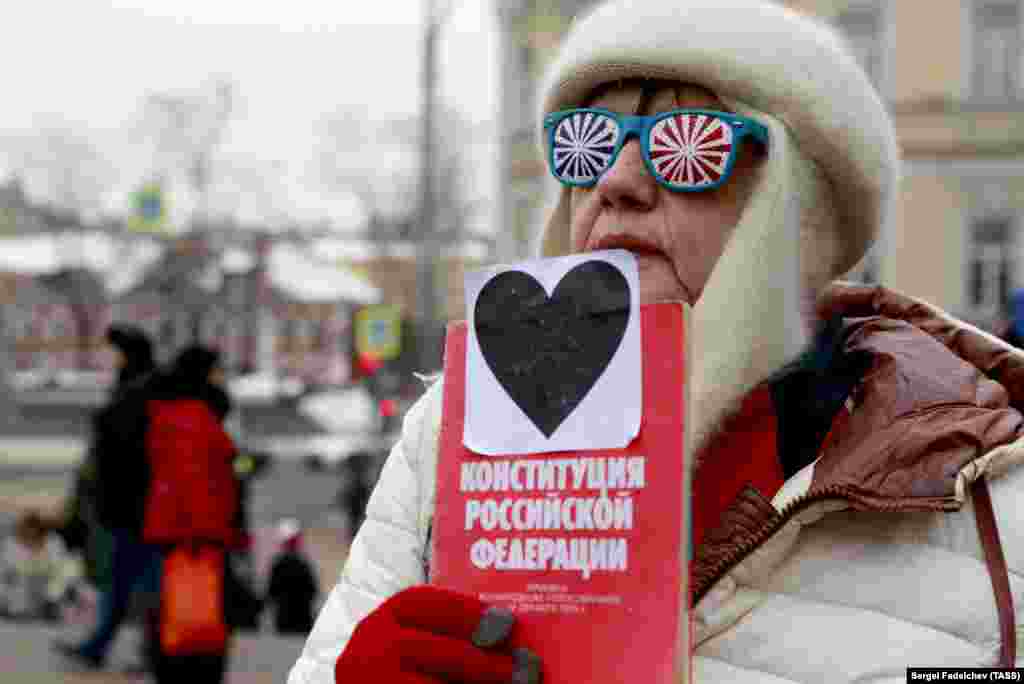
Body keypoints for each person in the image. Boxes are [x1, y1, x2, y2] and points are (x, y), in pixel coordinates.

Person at [290, 1, 1024, 682]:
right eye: (587, 143)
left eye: (688, 145)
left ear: (805, 216)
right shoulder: (451, 435)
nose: (616, 180)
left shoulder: (988, 484)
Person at [55, 324, 160, 670]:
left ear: (127, 353)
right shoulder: (135, 388)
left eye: (114, 351)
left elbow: (126, 450)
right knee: (124, 579)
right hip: (128, 503)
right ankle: (104, 645)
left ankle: (140, 650)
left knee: (140, 581)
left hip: (135, 504)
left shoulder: (138, 392)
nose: (109, 358)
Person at [142, 345, 241, 684]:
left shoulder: (163, 413)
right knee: (202, 616)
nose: (222, 377)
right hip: (197, 537)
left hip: (167, 532)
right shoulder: (197, 419)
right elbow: (201, 483)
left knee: (169, 613)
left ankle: (169, 666)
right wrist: (209, 535)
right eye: (216, 370)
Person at [0, 510, 79, 622]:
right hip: (21, 586)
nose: (31, 534)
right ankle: (14, 607)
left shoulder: (53, 542)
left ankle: (49, 606)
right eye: (27, 531)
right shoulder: (10, 543)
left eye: (34, 531)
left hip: (46, 586)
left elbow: (61, 567)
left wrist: (55, 592)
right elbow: (5, 571)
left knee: (71, 565)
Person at [266, 519, 319, 635]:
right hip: (300, 620)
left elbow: (271, 592)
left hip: (286, 620)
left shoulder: (279, 565)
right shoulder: (302, 565)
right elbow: (313, 591)